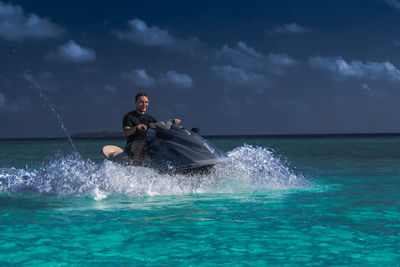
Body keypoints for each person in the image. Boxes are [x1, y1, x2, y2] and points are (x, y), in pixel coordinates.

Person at [122, 92, 180, 163]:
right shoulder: (129, 116)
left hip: (144, 143)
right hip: (131, 146)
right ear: (135, 103)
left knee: (157, 142)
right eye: (141, 102)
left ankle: (169, 164)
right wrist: (136, 127)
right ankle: (135, 165)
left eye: (146, 102)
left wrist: (172, 122)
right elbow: (126, 132)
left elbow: (160, 127)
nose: (144, 104)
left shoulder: (149, 118)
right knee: (142, 141)